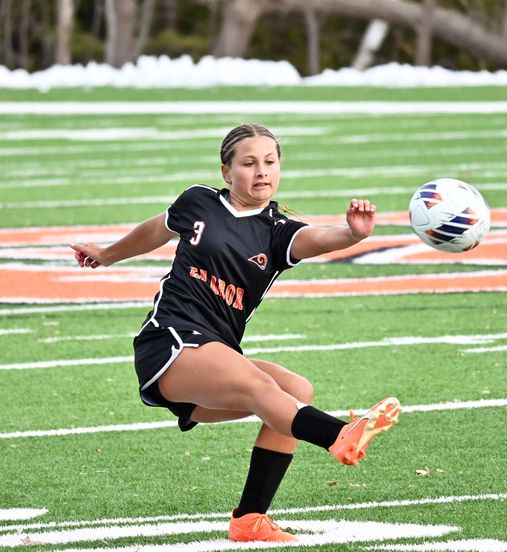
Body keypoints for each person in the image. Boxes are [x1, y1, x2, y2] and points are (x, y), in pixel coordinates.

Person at [71, 123, 401, 542]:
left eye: (270, 162)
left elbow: (319, 238)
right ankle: (338, 434)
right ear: (227, 172)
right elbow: (156, 228)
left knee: (296, 388)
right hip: (170, 342)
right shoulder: (198, 202)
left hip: (215, 355)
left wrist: (352, 233)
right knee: (260, 385)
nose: (261, 171)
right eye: (249, 163)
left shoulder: (277, 231)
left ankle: (250, 520)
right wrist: (107, 254)